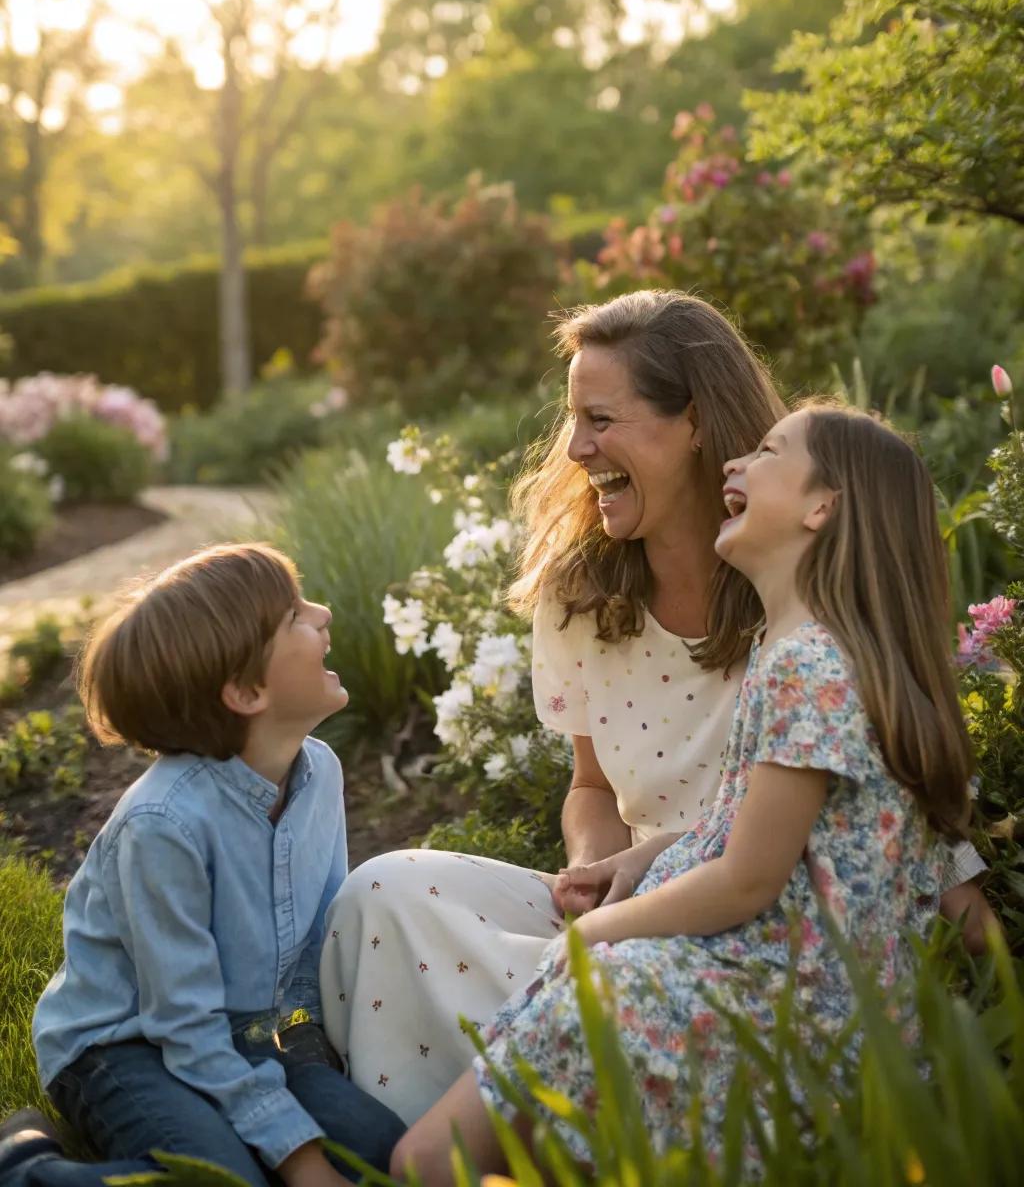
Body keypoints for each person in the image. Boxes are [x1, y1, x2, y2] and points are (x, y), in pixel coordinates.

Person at [320, 291, 990, 1125]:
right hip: (643, 895)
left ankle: (519, 1105)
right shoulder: (581, 595)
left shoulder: (804, 611)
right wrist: (594, 874)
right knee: (382, 892)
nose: (576, 448)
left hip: (746, 938)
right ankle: (506, 1099)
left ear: (695, 422)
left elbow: (894, 817)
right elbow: (592, 787)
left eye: (601, 419)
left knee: (594, 988)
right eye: (574, 420)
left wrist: (977, 970)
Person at [0, 544, 403, 1187]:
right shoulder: (162, 825)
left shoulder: (319, 772)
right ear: (246, 692)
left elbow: (313, 950)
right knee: (220, 1179)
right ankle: (25, 1166)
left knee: (382, 1150)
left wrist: (307, 1069)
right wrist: (298, 1157)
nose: (323, 613)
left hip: (240, 1035)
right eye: (295, 615)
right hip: (121, 1046)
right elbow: (182, 1023)